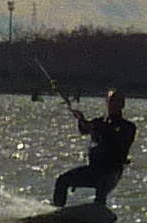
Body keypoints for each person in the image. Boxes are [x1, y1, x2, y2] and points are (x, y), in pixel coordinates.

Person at [54, 85, 136, 213]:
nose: (114, 104)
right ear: (107, 103)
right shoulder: (99, 122)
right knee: (62, 180)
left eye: (118, 101)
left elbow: (116, 137)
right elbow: (84, 130)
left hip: (112, 172)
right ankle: (57, 211)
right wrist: (81, 119)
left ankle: (98, 210)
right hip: (94, 170)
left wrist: (97, 129)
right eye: (111, 101)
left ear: (122, 105)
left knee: (102, 184)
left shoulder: (128, 127)